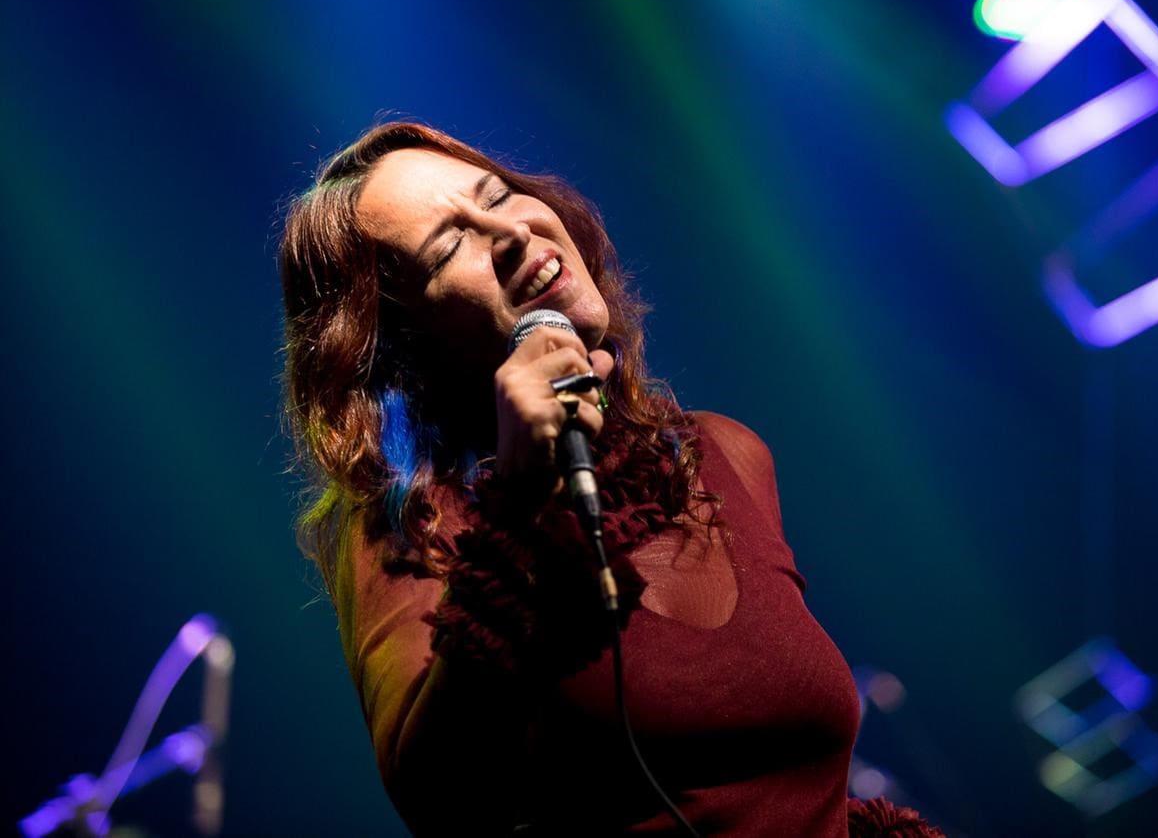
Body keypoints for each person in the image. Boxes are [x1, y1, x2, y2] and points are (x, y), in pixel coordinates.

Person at [279, 120, 940, 837]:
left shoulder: (724, 453)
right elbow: (440, 804)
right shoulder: (416, 526)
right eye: (448, 246)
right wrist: (523, 501)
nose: (510, 232)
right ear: (404, 348)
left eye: (498, 196)